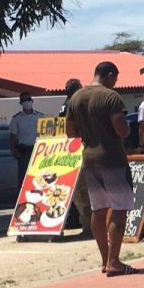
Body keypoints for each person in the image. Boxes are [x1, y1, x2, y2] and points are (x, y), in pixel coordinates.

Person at [65, 62, 138, 276]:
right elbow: (122, 130)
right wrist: (123, 128)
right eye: (115, 78)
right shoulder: (110, 97)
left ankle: (105, 260)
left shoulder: (76, 98)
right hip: (112, 158)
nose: (116, 82)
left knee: (98, 209)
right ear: (108, 75)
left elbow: (70, 132)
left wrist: (91, 131)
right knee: (119, 208)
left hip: (89, 159)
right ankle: (115, 261)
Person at [59, 78, 91, 237]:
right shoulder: (77, 104)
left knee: (76, 193)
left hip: (64, 152)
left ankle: (86, 225)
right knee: (85, 192)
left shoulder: (63, 105)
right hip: (79, 149)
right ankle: (89, 226)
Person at [9, 92, 46, 187]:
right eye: (24, 100)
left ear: (32, 101)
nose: (27, 102)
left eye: (28, 99)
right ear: (20, 103)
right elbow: (13, 137)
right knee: (23, 179)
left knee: (40, 177)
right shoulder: (16, 119)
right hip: (24, 152)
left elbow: (47, 134)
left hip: (39, 151)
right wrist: (14, 151)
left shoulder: (41, 117)